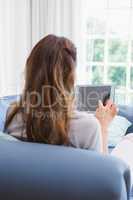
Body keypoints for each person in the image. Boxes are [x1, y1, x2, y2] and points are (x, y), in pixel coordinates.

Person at [4, 34, 117, 153]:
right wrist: (103, 127)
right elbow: (103, 171)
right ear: (71, 77)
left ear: (30, 71)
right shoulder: (89, 126)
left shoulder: (13, 113)